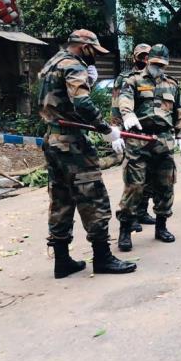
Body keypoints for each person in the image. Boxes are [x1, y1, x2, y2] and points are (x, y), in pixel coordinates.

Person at [37, 28, 136, 278]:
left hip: (52, 137)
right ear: (84, 47)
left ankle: (62, 260)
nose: (96, 57)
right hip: (71, 142)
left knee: (60, 197)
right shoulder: (73, 64)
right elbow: (81, 102)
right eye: (94, 52)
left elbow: (58, 99)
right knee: (92, 195)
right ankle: (102, 257)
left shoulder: (52, 63)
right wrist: (105, 129)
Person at [115, 44, 181, 251]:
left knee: (166, 186)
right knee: (134, 186)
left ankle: (161, 226)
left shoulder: (172, 84)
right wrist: (127, 115)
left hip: (164, 141)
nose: (159, 67)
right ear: (148, 60)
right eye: (155, 63)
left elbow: (179, 112)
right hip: (139, 139)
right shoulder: (133, 80)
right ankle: (125, 230)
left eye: (162, 64)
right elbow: (124, 101)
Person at [112, 43, 155, 229]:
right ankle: (131, 216)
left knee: (149, 178)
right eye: (142, 56)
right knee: (133, 178)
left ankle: (143, 211)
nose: (145, 59)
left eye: (148, 55)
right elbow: (116, 105)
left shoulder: (154, 77)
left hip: (150, 135)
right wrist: (116, 132)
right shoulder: (124, 78)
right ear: (134, 57)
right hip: (132, 133)